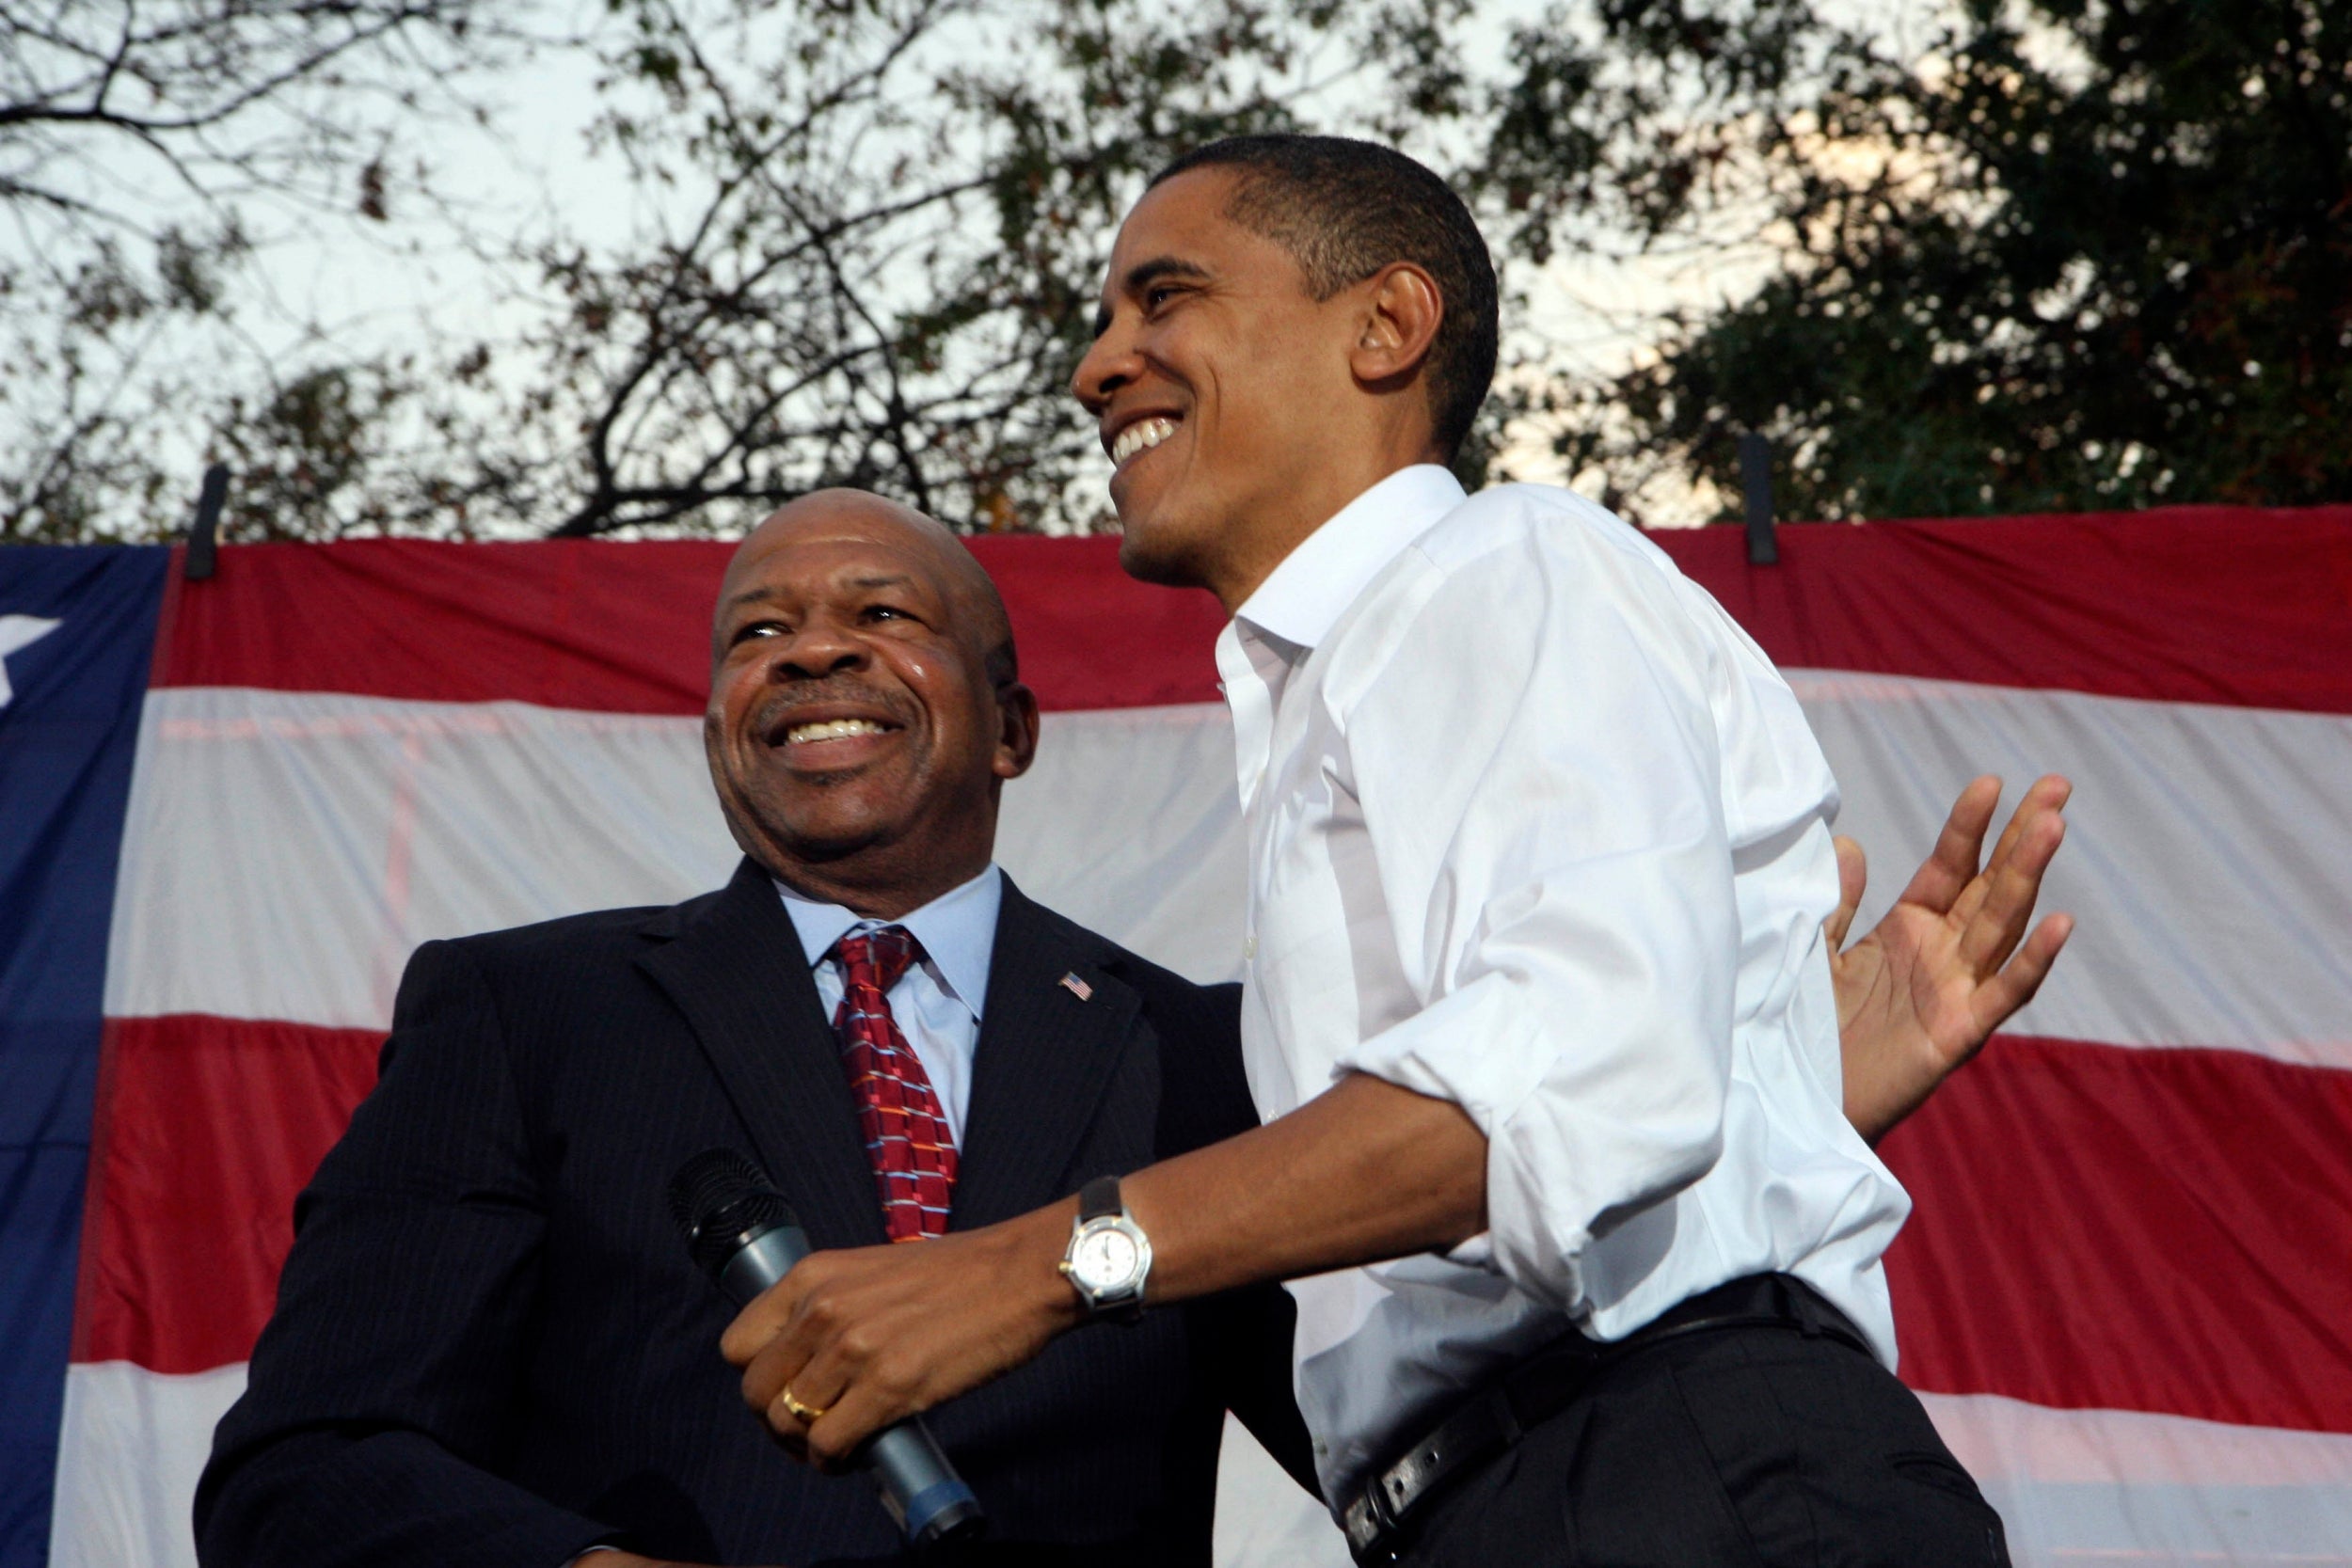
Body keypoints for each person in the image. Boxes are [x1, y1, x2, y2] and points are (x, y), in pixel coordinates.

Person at [198, 487, 2058, 1568]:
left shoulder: (1201, 1061)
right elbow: (307, 1477)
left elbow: (1441, 1376)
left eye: (877, 617)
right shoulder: (524, 1012)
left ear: (1011, 727)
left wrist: (1756, 1102)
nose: (809, 655)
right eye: (754, 636)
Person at [713, 137, 2075, 1568]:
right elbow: (1596, 1098)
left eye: (1162, 298)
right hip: (1525, 1499)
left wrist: (1038, 1266)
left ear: (1386, 326)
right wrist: (1769, 1104)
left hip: (1667, 1481)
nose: (1099, 367)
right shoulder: (1347, 685)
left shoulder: (1499, 568)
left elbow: (1575, 1069)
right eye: (1102, 323)